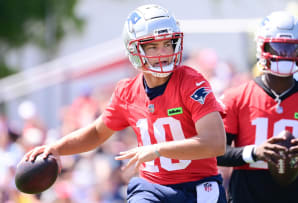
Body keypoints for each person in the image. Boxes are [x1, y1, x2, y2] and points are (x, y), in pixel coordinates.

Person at [22, 4, 227, 203]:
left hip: (199, 187)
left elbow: (216, 143)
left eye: (167, 44)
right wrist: (57, 148)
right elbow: (96, 133)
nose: (163, 53)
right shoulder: (127, 92)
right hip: (153, 188)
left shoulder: (192, 83)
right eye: (153, 47)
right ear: (134, 50)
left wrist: (158, 149)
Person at [217, 11, 298, 203]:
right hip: (247, 196)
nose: (284, 55)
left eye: (292, 49)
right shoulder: (236, 97)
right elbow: (216, 151)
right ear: (261, 47)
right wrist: (254, 152)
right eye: (276, 48)